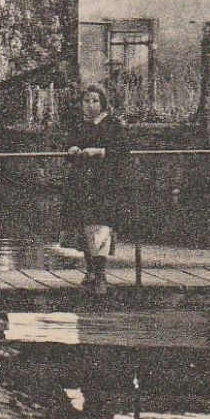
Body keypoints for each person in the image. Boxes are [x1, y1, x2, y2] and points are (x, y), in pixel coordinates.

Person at [67, 85, 125, 295]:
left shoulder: (113, 124)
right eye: (86, 101)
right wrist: (72, 149)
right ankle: (89, 270)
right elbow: (71, 144)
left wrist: (99, 151)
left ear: (102, 103)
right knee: (85, 226)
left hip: (104, 183)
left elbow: (121, 151)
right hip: (83, 182)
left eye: (95, 101)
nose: (90, 105)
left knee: (100, 228)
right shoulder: (81, 125)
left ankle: (100, 274)